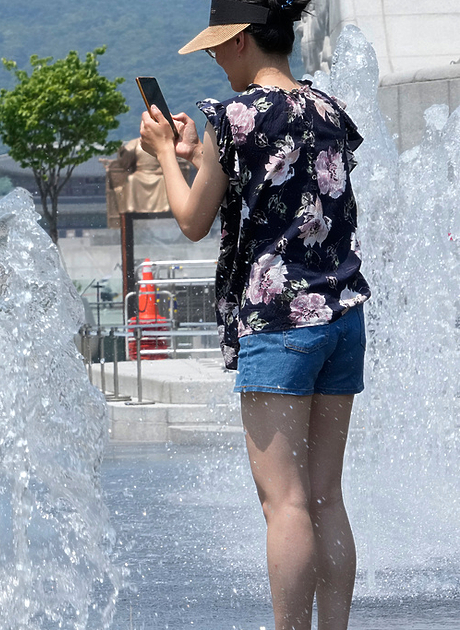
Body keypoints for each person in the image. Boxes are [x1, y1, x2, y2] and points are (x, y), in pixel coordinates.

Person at [138, 2, 371, 629]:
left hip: (279, 324)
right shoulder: (327, 108)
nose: (215, 58)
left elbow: (192, 221)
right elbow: (279, 188)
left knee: (285, 501)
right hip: (343, 316)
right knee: (325, 495)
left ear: (241, 40)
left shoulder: (234, 116)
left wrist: (165, 151)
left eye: (217, 46)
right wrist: (200, 154)